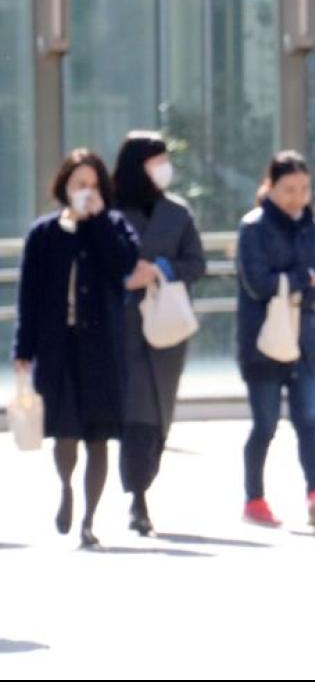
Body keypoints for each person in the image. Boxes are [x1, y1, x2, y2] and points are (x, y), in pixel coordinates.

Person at [13, 148, 140, 548]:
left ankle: (89, 519)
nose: (86, 191)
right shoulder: (44, 233)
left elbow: (123, 265)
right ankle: (66, 488)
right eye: (78, 184)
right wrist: (23, 347)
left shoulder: (115, 226)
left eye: (93, 185)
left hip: (102, 349)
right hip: (58, 347)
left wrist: (99, 219)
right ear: (64, 186)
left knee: (98, 434)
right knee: (65, 430)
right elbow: (28, 295)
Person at [235, 150, 315, 527]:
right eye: (289, 189)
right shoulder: (253, 227)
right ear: (269, 187)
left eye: (304, 189)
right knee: (264, 425)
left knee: (309, 419)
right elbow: (257, 283)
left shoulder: (312, 228)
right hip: (261, 344)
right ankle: (254, 499)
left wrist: (303, 286)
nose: (297, 197)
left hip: (304, 343)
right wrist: (302, 280)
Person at [113, 131, 206, 536]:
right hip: (123, 327)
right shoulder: (112, 213)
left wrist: (160, 270)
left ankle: (144, 480)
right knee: (135, 412)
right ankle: (138, 497)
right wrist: (125, 278)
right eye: (157, 160)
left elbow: (196, 263)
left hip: (168, 331)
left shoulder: (177, 213)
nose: (164, 168)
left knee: (160, 409)